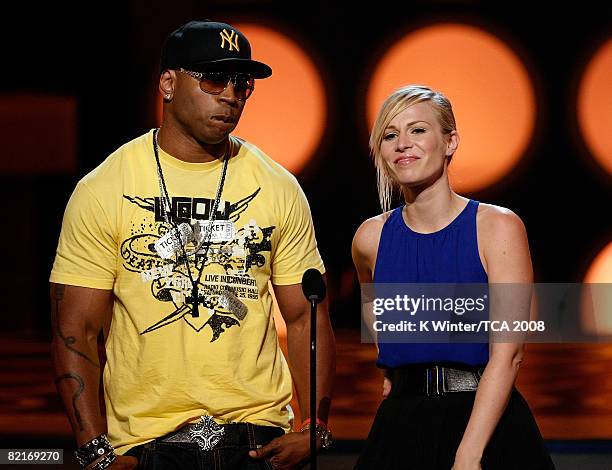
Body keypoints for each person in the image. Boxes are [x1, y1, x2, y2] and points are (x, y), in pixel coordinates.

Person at [50, 20, 335, 470]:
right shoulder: (105, 187)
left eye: (242, 84)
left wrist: (315, 431)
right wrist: (95, 453)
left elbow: (306, 317)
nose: (230, 95)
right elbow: (76, 331)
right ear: (167, 83)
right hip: (147, 444)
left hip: (258, 440)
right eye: (213, 78)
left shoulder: (278, 187)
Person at [351, 85, 555, 469]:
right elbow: (371, 302)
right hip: (400, 424)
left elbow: (508, 354)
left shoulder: (497, 227)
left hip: (484, 423)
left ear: (450, 142)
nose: (402, 144)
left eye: (418, 130)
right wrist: (397, 360)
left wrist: (469, 454)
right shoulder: (370, 237)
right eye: (390, 135)